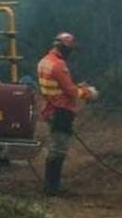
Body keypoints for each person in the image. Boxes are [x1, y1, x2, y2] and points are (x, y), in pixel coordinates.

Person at [36, 31, 98, 196]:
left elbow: (59, 87)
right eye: (70, 49)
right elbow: (70, 91)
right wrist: (88, 92)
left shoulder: (44, 61)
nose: (71, 52)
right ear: (64, 47)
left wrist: (76, 87)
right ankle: (52, 187)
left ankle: (51, 185)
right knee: (59, 149)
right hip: (61, 111)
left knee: (55, 147)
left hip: (50, 108)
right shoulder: (59, 65)